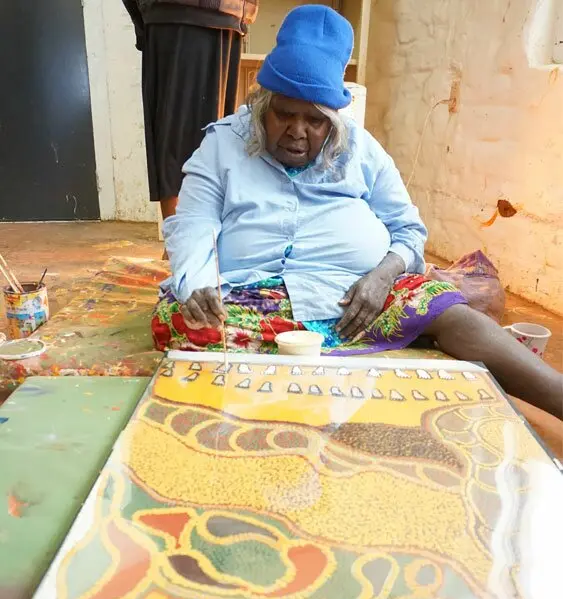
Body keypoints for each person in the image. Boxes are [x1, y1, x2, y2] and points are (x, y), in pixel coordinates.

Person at [153, 5, 563, 420]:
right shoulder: (223, 144)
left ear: (334, 120)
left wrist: (383, 276)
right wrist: (199, 286)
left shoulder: (361, 149)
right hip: (254, 297)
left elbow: (407, 229)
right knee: (184, 321)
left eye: (314, 120)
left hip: (356, 295)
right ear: (262, 105)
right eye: (284, 114)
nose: (297, 130)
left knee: (445, 308)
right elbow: (192, 223)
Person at [122, 0, 258, 220]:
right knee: (183, 138)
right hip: (184, 12)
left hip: (229, 17)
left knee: (215, 138)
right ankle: (181, 241)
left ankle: (191, 238)